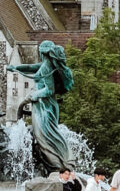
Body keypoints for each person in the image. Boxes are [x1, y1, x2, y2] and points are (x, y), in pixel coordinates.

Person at [7, 41, 75, 172]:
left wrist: (32, 96)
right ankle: (62, 165)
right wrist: (15, 68)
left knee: (45, 138)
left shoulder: (46, 67)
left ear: (42, 52)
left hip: (45, 107)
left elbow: (49, 90)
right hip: (43, 106)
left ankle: (59, 167)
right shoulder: (45, 65)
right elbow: (30, 67)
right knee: (49, 135)